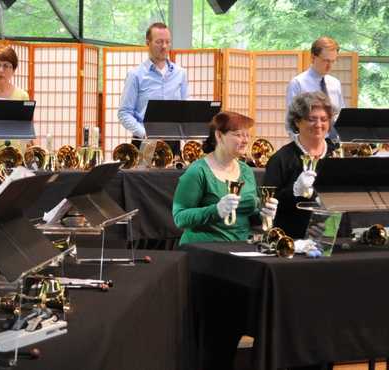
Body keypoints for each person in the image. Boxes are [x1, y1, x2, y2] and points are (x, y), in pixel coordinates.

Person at [173, 111, 278, 245]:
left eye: (247, 135)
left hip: (242, 247)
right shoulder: (198, 171)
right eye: (238, 135)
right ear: (219, 135)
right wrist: (216, 210)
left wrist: (264, 215)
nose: (246, 140)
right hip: (205, 248)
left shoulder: (246, 171)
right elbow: (180, 218)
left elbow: (247, 215)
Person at [265, 92, 339, 239]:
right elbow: (269, 205)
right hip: (292, 239)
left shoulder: (337, 155)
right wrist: (295, 190)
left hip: (333, 235)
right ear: (297, 121)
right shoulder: (281, 159)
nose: (319, 125)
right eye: (312, 119)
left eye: (324, 119)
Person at [118, 22, 188, 150]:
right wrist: (144, 133)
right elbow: (124, 113)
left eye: (168, 42)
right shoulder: (135, 75)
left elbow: (184, 109)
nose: (164, 46)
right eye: (159, 42)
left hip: (173, 143)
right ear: (147, 43)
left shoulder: (180, 73)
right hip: (144, 142)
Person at [286, 36, 344, 141]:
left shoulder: (335, 84)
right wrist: (302, 150)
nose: (329, 66)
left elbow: (341, 117)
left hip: (335, 144)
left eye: (333, 61)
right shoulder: (298, 83)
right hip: (309, 145)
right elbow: (291, 123)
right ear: (313, 58)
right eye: (326, 61)